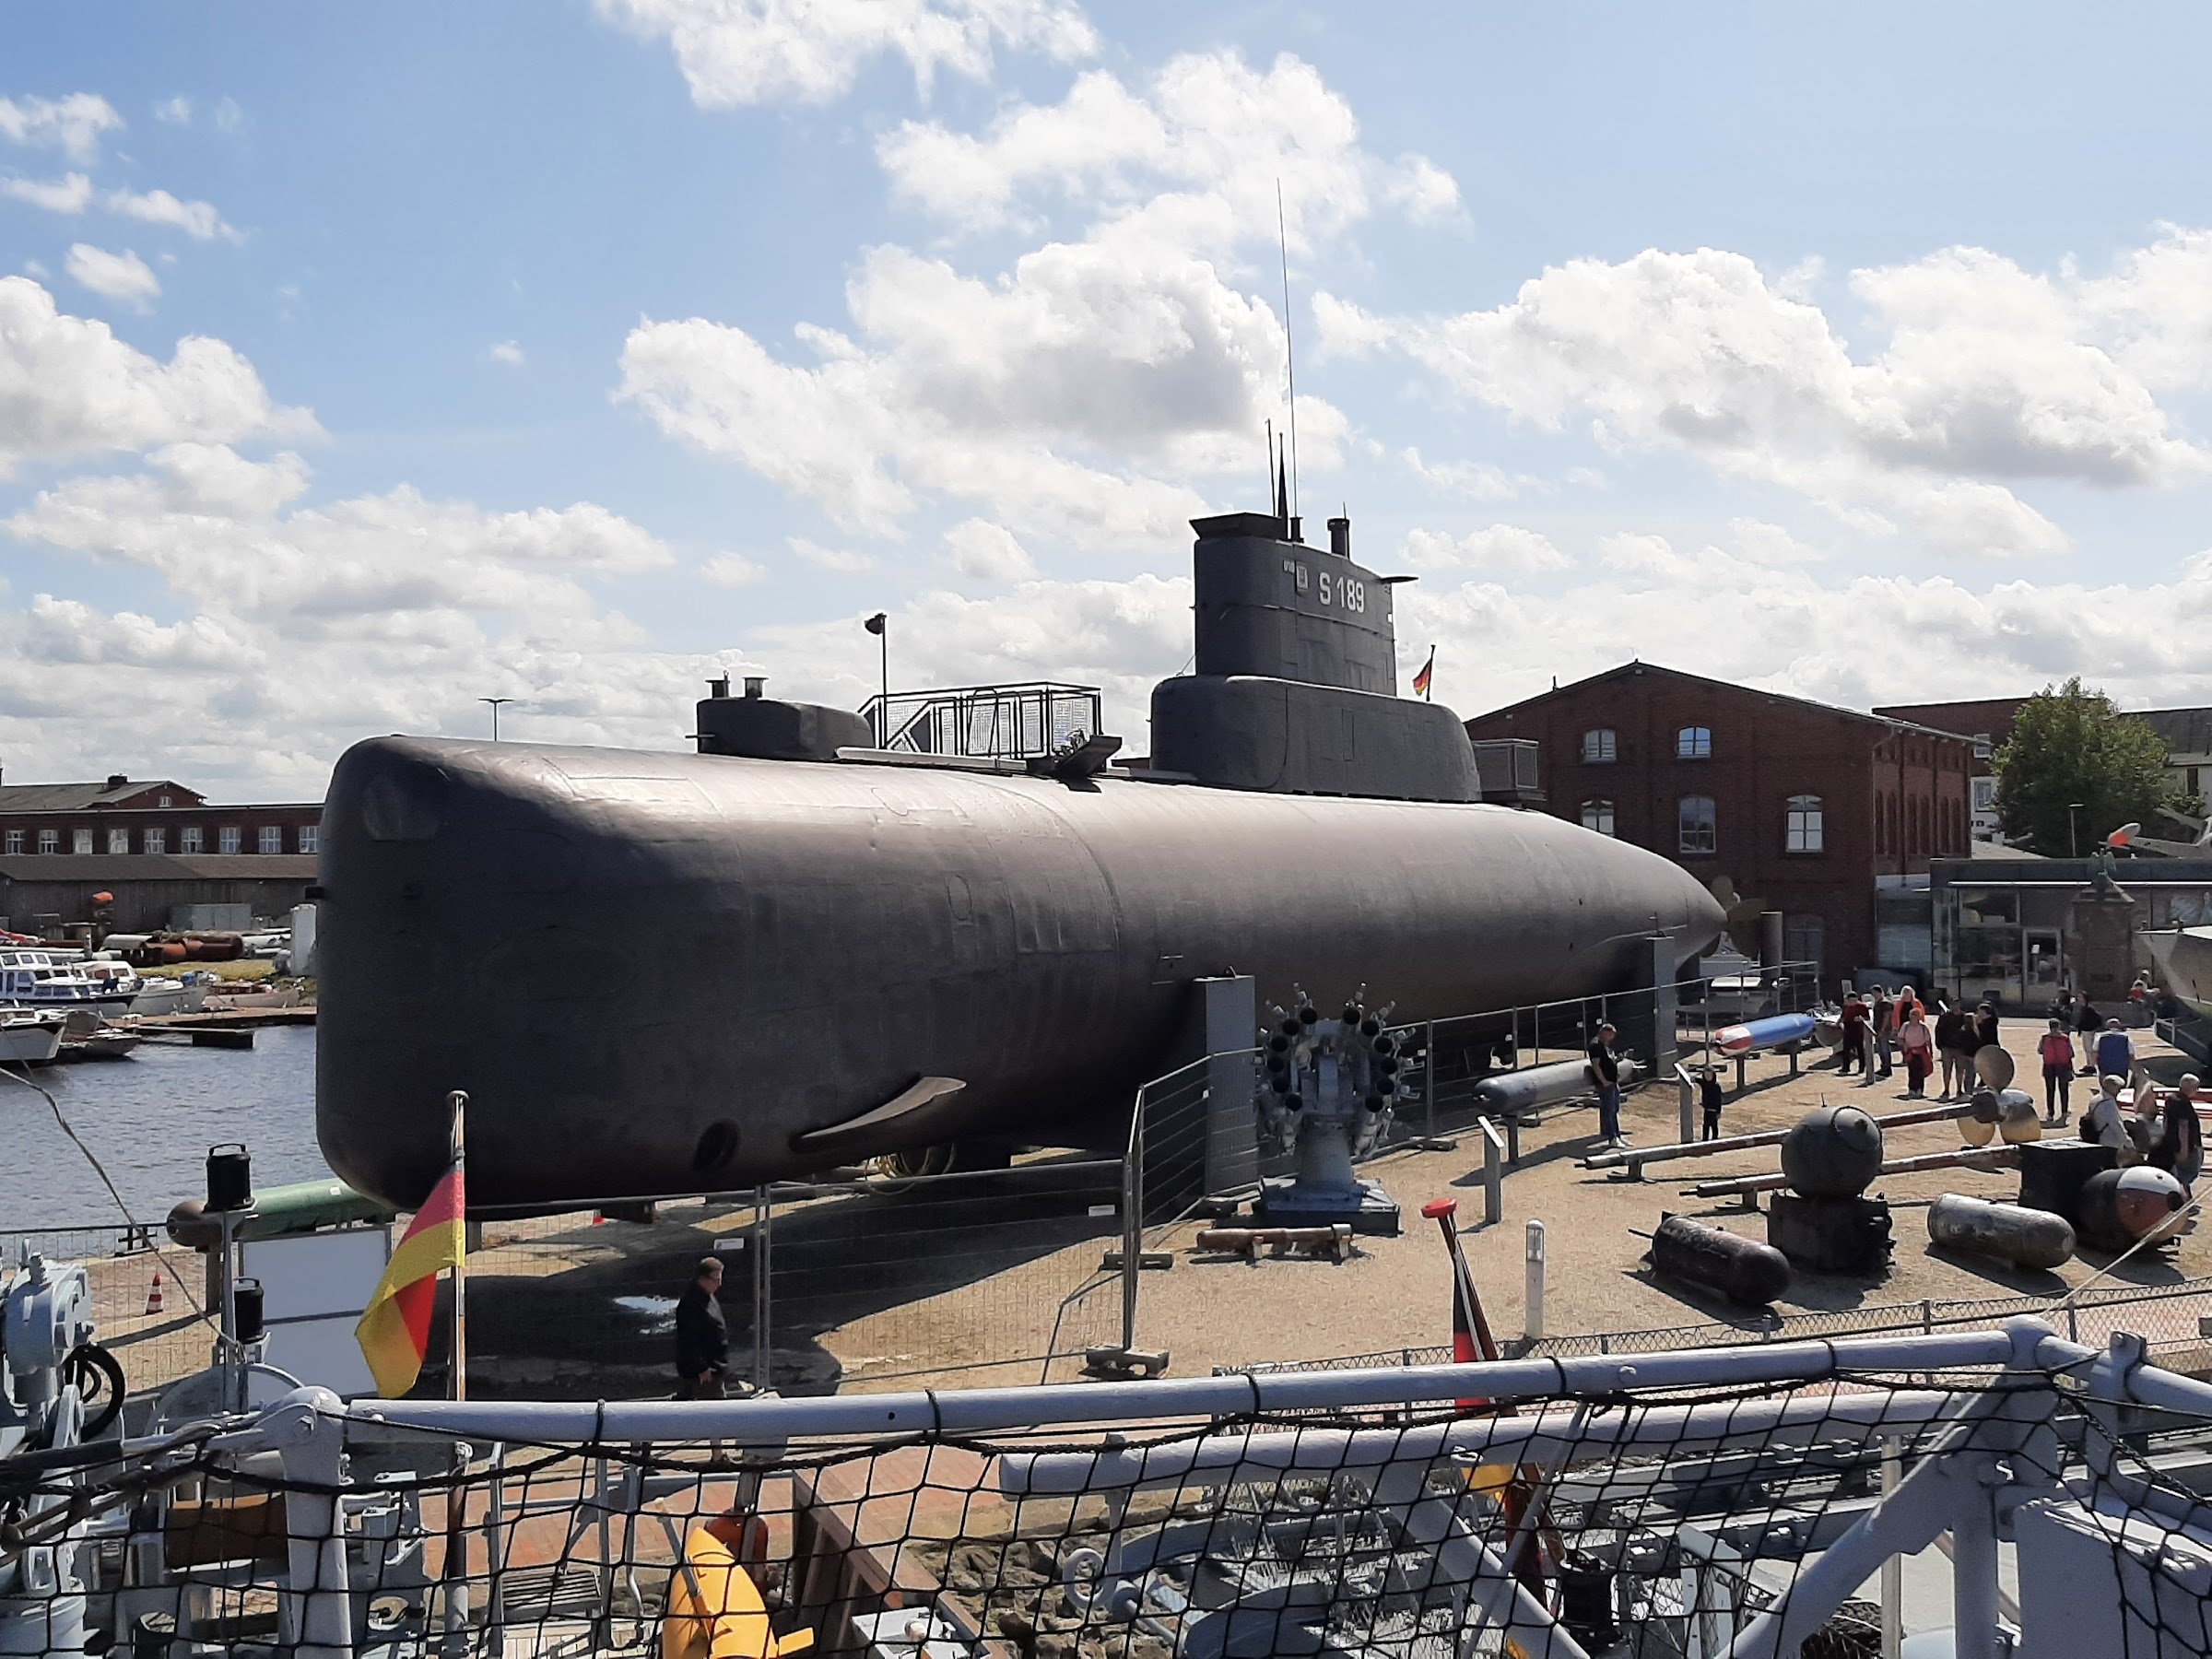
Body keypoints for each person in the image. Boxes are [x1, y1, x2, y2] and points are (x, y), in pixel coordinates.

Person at [674, 1253, 730, 1399]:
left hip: (713, 1368)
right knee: (711, 1414)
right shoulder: (691, 1304)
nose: (719, 1284)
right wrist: (701, 1367)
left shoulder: (708, 1297)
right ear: (702, 1279)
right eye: (715, 1280)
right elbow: (688, 1339)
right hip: (703, 1373)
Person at [2151, 1074, 2206, 1195]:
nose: (2197, 1090)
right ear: (2189, 1087)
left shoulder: (2171, 1099)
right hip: (2185, 1146)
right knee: (2186, 1174)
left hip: (2172, 1143)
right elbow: (2183, 1128)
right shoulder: (2182, 1104)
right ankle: (2183, 1199)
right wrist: (2184, 1150)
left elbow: (2165, 1121)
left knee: (2181, 1174)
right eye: (2195, 1087)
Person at [1586, 1021, 1624, 1147]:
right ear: (1604, 1033)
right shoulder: (1596, 1045)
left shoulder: (1605, 1045)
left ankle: (1617, 1135)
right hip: (1606, 1083)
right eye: (1610, 1035)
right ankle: (1612, 1137)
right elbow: (1596, 1065)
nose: (1611, 1039)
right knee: (1609, 1109)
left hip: (1612, 1082)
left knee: (1614, 1109)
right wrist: (1604, 1081)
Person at [2037, 1019, 2077, 1124]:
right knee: (2064, 1090)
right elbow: (2071, 1054)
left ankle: (2050, 1113)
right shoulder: (2065, 1038)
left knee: (2050, 1090)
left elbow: (2040, 1050)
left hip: (2049, 1065)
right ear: (2059, 1026)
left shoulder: (2045, 1038)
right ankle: (2064, 1111)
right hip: (2063, 1066)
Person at [1935, 999, 1974, 1102]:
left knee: (1960, 1071)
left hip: (1960, 1048)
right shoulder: (1944, 1018)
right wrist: (1940, 1045)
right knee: (1946, 1070)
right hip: (1947, 1048)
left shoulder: (1964, 1018)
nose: (1954, 1007)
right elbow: (1938, 1031)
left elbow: (1969, 1033)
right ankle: (1946, 1090)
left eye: (1956, 1005)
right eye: (1952, 1005)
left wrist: (1966, 1047)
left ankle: (1959, 1090)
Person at [2082, 1074, 2132, 1156]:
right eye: (2118, 1088)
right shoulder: (2109, 1105)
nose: (2119, 1091)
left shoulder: (2095, 1099)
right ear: (2112, 1088)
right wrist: (2129, 1145)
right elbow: (2117, 1127)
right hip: (2110, 1143)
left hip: (2097, 1139)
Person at [1898, 1007, 1935, 1098]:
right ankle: (1912, 1090)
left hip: (1921, 1052)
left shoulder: (1923, 1027)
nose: (1913, 1018)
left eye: (1915, 1016)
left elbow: (1928, 1040)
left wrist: (1931, 1052)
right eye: (1912, 1016)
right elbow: (1900, 1038)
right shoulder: (1906, 1026)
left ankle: (1919, 1090)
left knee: (1921, 1071)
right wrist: (1904, 1045)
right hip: (1910, 1052)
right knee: (1911, 1071)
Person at [2094, 1018, 2134, 1085]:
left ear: (2107, 1026)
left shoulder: (2100, 1037)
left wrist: (2095, 1063)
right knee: (2121, 1085)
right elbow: (2131, 1054)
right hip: (2121, 1066)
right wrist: (2132, 1066)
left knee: (2105, 1084)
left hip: (2105, 1065)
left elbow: (2095, 1051)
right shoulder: (2126, 1037)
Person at [1839, 990, 1869, 1076]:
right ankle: (1845, 1067)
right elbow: (1842, 1017)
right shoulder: (1846, 1007)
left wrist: (1861, 1019)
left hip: (1858, 1031)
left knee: (1860, 1050)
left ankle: (1862, 1067)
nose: (1852, 1002)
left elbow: (1867, 1018)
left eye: (1854, 1000)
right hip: (1848, 1031)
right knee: (1846, 1050)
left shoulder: (1862, 1006)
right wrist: (1837, 1024)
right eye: (1850, 1001)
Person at [1870, 986, 1895, 1080]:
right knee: (1880, 1049)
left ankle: (1887, 1068)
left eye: (1874, 993)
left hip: (1884, 1030)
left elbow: (1887, 1017)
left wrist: (1882, 1029)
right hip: (1878, 1029)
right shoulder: (1878, 1003)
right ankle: (1883, 1067)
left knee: (1884, 1049)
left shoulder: (1885, 1003)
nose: (1873, 995)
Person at [2075, 997, 2103, 1074]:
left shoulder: (2089, 1009)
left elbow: (2097, 1017)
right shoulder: (2083, 1009)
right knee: (2086, 1049)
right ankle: (2089, 1064)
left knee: (2090, 1049)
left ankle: (2092, 1066)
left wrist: (2093, 1026)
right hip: (2085, 1030)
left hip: (2089, 1030)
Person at [1700, 1065, 1724, 1141]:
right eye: (1706, 1075)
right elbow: (1698, 1080)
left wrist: (1719, 1112)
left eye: (1710, 1075)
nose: (1708, 1077)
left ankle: (1715, 1140)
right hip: (1707, 1109)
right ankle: (1704, 1140)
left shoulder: (1716, 1086)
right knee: (1705, 1126)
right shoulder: (1704, 1083)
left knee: (1714, 1126)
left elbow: (1719, 1100)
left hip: (1714, 1110)